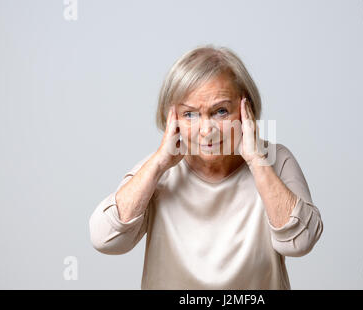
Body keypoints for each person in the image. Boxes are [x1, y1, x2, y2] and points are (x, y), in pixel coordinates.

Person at [89, 44, 323, 289]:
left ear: (247, 111)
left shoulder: (275, 159)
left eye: (220, 111)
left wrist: (256, 160)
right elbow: (106, 240)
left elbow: (300, 243)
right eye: (190, 114)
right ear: (173, 119)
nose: (206, 130)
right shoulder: (158, 169)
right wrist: (158, 163)